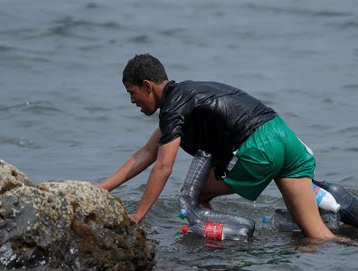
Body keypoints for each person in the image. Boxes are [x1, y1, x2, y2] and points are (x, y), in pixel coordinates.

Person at [98, 54, 335, 240]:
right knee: (318, 235)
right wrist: (102, 188)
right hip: (283, 136)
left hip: (259, 147)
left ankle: (220, 244)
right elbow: (146, 153)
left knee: (196, 195)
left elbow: (163, 167)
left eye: (132, 93)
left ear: (148, 86)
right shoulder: (186, 96)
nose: (132, 101)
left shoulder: (173, 109)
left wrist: (138, 215)